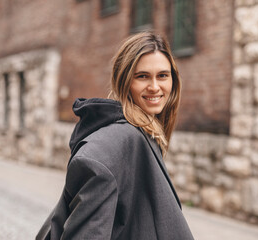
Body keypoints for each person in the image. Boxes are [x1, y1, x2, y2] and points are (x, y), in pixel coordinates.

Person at [36, 31, 194, 240]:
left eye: (163, 75)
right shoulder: (115, 145)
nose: (155, 87)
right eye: (142, 76)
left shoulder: (142, 135)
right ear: (124, 81)